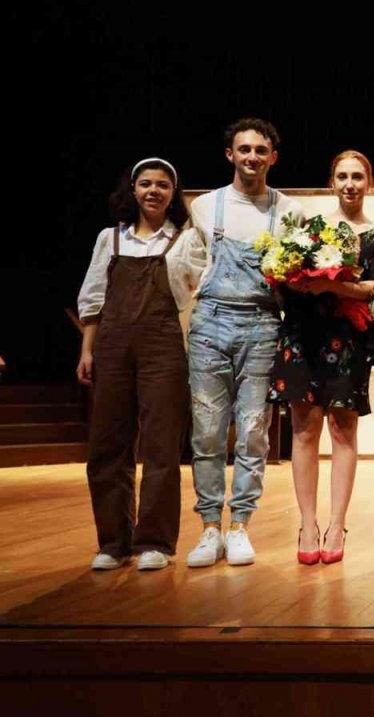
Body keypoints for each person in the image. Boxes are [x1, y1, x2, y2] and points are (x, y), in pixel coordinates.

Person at [185, 118, 305, 568]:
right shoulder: (204, 207)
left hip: (261, 323)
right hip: (211, 323)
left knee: (254, 431)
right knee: (207, 429)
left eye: (260, 150)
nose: (252, 156)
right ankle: (209, 528)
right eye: (244, 149)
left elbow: (296, 276)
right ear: (229, 154)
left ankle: (240, 526)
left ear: (273, 157)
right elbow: (188, 270)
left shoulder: (287, 210)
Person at [76, 158, 200, 571]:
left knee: (162, 445)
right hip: (111, 345)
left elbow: (197, 294)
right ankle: (112, 542)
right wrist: (87, 350)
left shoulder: (184, 239)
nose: (153, 191)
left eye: (163, 185)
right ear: (132, 190)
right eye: (145, 184)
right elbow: (93, 299)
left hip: (163, 347)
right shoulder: (109, 239)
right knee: (108, 443)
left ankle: (155, 542)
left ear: (173, 193)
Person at [270, 150, 374, 565]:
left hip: (348, 342)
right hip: (304, 336)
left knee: (343, 433)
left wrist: (330, 286)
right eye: (342, 176)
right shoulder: (311, 228)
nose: (350, 184)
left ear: (370, 183)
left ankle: (337, 524)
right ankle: (307, 523)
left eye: (358, 176)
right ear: (331, 182)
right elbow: (286, 276)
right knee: (304, 433)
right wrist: (296, 280)